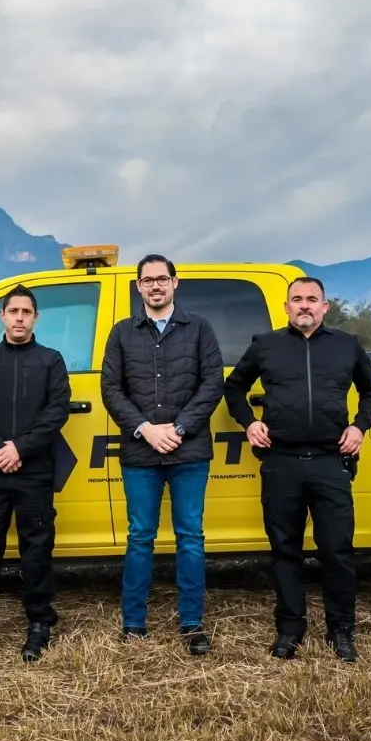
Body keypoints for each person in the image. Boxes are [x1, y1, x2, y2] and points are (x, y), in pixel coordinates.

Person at [223, 276, 371, 663]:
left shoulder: (347, 345)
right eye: (297, 299)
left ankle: (341, 630)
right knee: (285, 551)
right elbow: (233, 388)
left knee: (338, 551)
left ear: (325, 307)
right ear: (287, 306)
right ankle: (290, 629)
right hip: (282, 464)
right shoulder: (266, 346)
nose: (305, 305)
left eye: (312, 299)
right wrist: (249, 423)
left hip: (332, 462)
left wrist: (359, 426)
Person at [100, 253, 225, 655]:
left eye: (162, 279)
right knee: (140, 538)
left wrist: (179, 428)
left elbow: (212, 383)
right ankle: (134, 624)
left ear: (175, 283)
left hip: (189, 453)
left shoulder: (200, 329)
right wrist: (146, 430)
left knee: (190, 537)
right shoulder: (121, 333)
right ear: (138, 287)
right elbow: (111, 390)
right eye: (147, 280)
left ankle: (192, 624)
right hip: (140, 453)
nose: (155, 285)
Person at [0, 284, 71, 663]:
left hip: (34, 471)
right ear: (2, 316)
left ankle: (39, 626)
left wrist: (20, 447)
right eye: (13, 311)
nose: (20, 317)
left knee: (36, 552)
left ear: (36, 318)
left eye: (27, 312)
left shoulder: (51, 360)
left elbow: (57, 411)